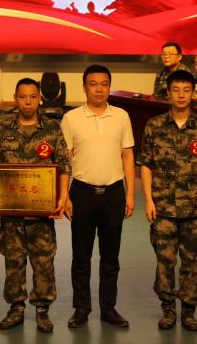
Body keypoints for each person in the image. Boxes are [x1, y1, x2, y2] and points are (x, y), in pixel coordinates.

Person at [0, 78, 71, 333]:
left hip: (41, 214)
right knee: (13, 262)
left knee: (43, 262)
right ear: (15, 98)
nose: (28, 102)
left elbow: (64, 165)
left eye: (33, 97)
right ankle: (16, 308)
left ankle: (42, 310)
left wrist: (62, 197)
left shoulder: (52, 129)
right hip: (11, 215)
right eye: (23, 97)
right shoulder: (2, 129)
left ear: (40, 99)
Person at [137, 70, 197, 332]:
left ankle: (189, 311)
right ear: (168, 93)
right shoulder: (154, 125)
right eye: (176, 90)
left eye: (186, 90)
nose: (181, 95)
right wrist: (148, 200)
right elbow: (146, 165)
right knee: (165, 261)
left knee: (192, 262)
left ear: (193, 93)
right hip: (163, 207)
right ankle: (168, 308)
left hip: (195, 208)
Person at [61, 64, 135, 329]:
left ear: (109, 86)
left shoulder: (122, 116)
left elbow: (128, 155)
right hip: (82, 193)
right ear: (84, 87)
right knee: (81, 257)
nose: (99, 89)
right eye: (93, 84)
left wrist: (130, 193)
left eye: (104, 84)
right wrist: (64, 196)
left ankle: (108, 308)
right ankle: (81, 308)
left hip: (114, 194)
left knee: (110, 257)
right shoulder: (71, 118)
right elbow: (64, 160)